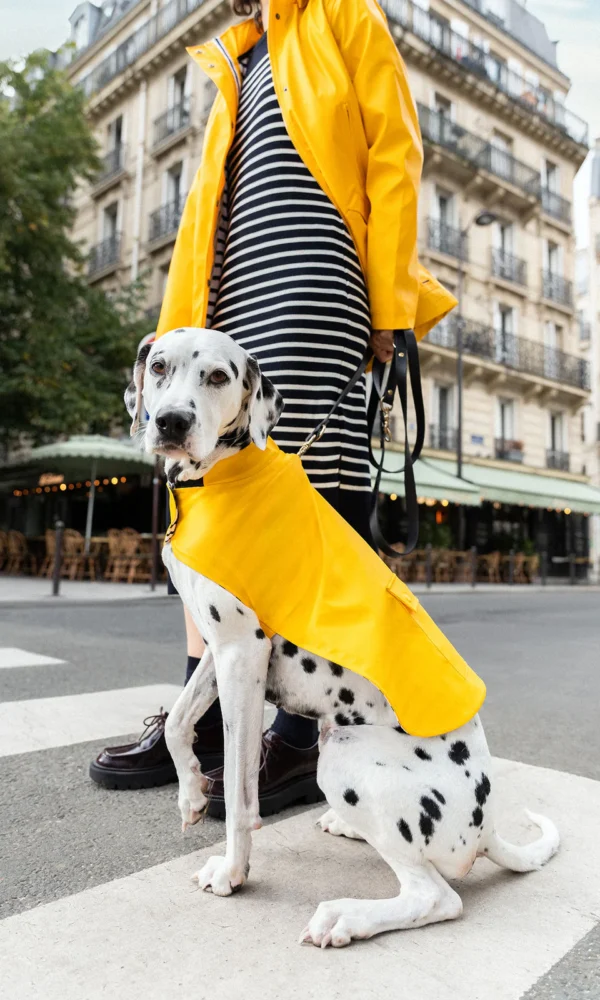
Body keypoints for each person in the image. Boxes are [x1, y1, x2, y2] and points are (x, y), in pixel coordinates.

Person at [90, 0, 455, 814]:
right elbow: (208, 208)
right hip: (231, 298)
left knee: (309, 489)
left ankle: (296, 739)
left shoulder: (343, 15)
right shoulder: (240, 48)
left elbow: (395, 151)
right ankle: (211, 715)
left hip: (317, 282)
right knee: (212, 503)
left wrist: (389, 305)